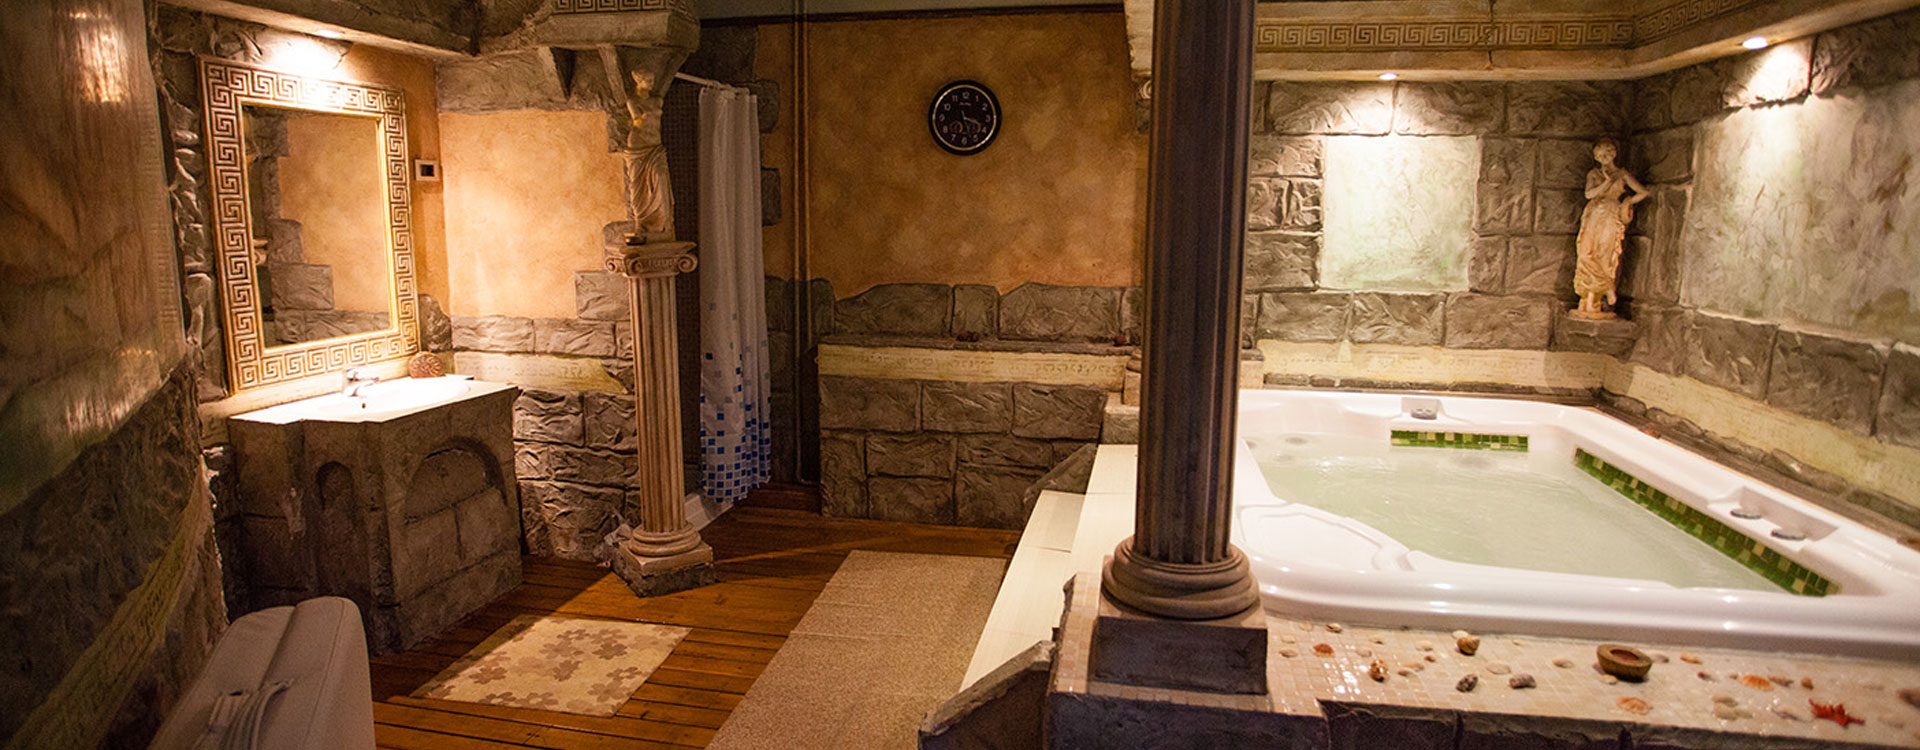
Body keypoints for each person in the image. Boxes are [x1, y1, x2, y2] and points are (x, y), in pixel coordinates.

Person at [1573, 139, 1648, 317]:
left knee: (1604, 253)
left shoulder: (1622, 174)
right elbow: (1589, 194)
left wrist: (1628, 202)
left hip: (1610, 213)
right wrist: (1606, 182)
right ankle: (1607, 286)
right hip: (1593, 213)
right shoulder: (1594, 174)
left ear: (1613, 154)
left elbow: (1643, 192)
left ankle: (1596, 295)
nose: (1603, 158)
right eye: (1599, 156)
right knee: (1585, 252)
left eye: (1606, 154)